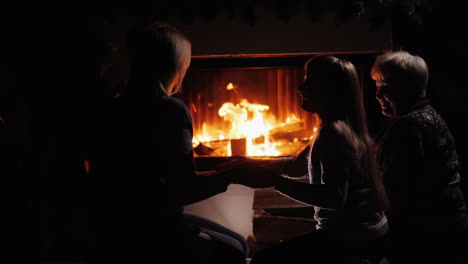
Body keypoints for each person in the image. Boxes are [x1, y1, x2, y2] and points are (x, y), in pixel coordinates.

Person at [90, 21, 247, 264]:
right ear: (174, 66)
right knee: (236, 250)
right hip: (154, 228)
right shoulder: (168, 110)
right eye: (186, 65)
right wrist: (232, 176)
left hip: (110, 224)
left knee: (238, 241)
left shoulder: (114, 103)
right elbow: (182, 189)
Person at [217, 55, 390, 264]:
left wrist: (274, 182)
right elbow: (295, 166)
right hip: (371, 230)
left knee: (263, 261)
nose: (300, 88)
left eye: (309, 81)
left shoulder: (333, 135)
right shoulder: (342, 127)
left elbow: (334, 198)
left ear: (327, 89)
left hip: (352, 238)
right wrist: (252, 163)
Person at [371, 50, 468, 264]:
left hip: (426, 235)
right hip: (450, 224)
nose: (377, 96)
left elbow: (391, 192)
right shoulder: (431, 114)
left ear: (406, 87)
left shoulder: (406, 127)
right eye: (377, 88)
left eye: (384, 88)